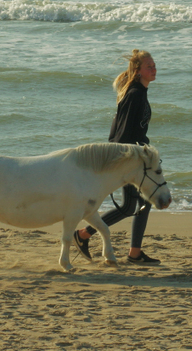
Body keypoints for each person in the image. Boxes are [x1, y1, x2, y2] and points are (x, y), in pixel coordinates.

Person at [73, 49, 161, 265]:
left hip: (134, 157)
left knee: (138, 204)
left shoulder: (137, 91)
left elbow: (124, 131)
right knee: (132, 206)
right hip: (129, 160)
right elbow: (122, 134)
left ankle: (132, 252)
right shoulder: (135, 95)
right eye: (149, 66)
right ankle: (85, 236)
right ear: (139, 71)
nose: (154, 69)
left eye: (154, 65)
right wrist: (132, 158)